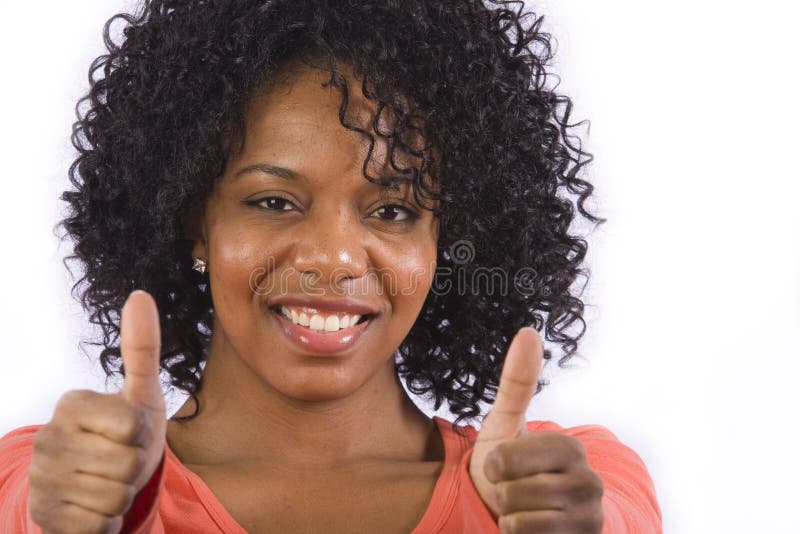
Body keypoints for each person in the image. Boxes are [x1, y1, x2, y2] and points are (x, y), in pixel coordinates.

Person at [0, 0, 661, 532]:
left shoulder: (568, 486)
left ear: (446, 241)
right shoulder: (47, 484)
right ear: (191, 221)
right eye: (274, 201)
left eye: (394, 211)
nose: (336, 258)